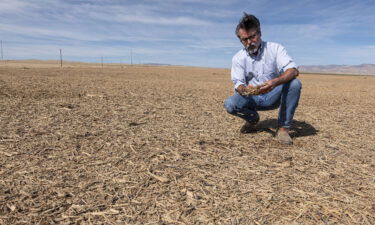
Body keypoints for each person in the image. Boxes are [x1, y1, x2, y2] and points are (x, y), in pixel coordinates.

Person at [224, 13, 302, 145]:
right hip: (252, 97)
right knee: (230, 104)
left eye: (252, 36)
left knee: (294, 84)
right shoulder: (238, 58)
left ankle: (283, 129)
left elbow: (293, 70)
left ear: (259, 33)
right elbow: (238, 83)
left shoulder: (275, 48)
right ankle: (253, 120)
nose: (249, 42)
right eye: (244, 39)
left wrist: (274, 82)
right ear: (240, 41)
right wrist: (245, 89)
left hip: (273, 94)